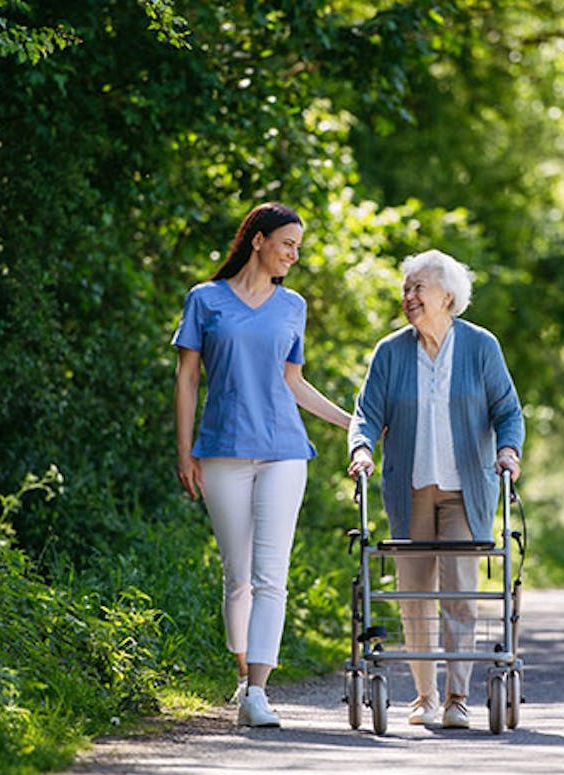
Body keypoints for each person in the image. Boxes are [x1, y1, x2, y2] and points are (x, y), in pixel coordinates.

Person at [173, 202, 351, 728]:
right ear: (258, 240)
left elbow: (293, 381)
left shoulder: (292, 306)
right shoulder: (205, 301)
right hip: (222, 451)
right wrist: (184, 452)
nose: (293, 256)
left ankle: (257, 689)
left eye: (297, 248)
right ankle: (241, 677)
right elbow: (187, 379)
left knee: (272, 575)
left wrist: (351, 421)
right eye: (287, 244)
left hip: (284, 451)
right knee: (238, 576)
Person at [347, 249, 524, 729]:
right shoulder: (390, 352)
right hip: (411, 487)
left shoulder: (480, 347)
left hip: (466, 488)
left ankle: (458, 697)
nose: (408, 296)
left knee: (461, 594)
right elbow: (367, 414)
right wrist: (361, 448)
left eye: (418, 288)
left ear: (447, 295)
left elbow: (507, 411)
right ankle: (423, 697)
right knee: (413, 594)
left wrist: (508, 451)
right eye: (406, 289)